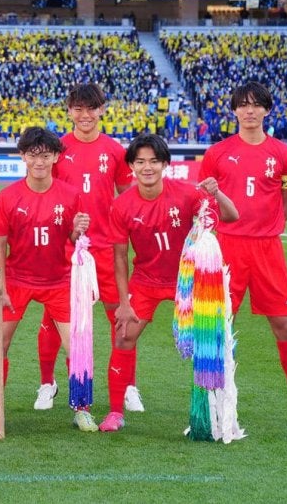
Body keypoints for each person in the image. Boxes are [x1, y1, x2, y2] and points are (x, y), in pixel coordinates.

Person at [198, 81, 287, 428]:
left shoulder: (285, 154)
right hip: (228, 247)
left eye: (256, 105)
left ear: (267, 110)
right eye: (243, 105)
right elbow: (206, 203)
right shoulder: (217, 153)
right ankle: (212, 404)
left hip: (268, 249)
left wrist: (265, 228)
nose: (249, 111)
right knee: (218, 326)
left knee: (284, 323)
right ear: (234, 110)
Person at [98, 134, 238, 433]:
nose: (147, 167)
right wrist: (123, 303)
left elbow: (231, 215)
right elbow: (120, 257)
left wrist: (218, 193)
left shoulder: (188, 194)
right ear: (131, 166)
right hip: (145, 281)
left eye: (153, 161)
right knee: (123, 337)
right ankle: (115, 412)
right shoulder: (121, 205)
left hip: (187, 280)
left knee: (205, 343)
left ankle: (210, 410)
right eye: (140, 162)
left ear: (164, 164)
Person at [36, 83, 136, 412]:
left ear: (102, 110)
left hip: (105, 248)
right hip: (66, 250)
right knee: (56, 318)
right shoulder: (58, 148)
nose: (85, 115)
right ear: (69, 111)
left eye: (91, 108)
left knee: (120, 317)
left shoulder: (115, 150)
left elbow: (128, 196)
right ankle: (47, 383)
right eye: (78, 108)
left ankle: (128, 386)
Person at [0, 126, 96, 432]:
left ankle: (82, 408)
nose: (39, 161)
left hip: (59, 280)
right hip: (18, 280)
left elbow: (74, 239)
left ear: (56, 157)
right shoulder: (8, 196)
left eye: (46, 155)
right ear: (22, 157)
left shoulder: (71, 195)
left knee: (76, 346)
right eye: (33, 155)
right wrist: (1, 286)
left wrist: (79, 230)